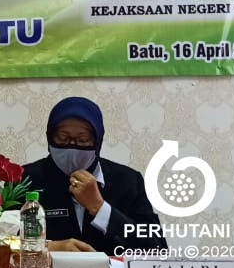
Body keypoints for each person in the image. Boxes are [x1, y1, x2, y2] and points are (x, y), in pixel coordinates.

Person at [23, 96, 167, 255]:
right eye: (63, 137)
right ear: (50, 138)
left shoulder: (128, 181)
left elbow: (158, 249)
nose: (72, 145)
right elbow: (3, 243)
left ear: (98, 141)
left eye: (83, 139)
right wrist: (46, 248)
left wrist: (100, 208)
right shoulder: (24, 179)